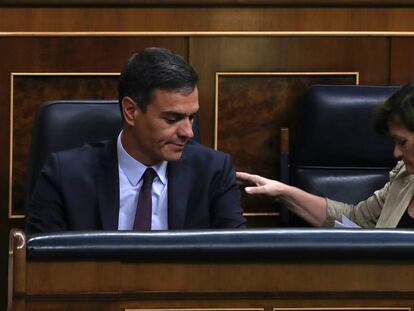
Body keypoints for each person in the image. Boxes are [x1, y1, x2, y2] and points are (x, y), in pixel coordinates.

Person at [26, 47, 246, 233]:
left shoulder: (213, 171)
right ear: (131, 111)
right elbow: (43, 269)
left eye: (192, 117)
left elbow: (236, 262)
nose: (188, 132)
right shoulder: (64, 175)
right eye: (172, 119)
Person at [237, 82, 414, 228]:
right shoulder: (404, 177)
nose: (396, 152)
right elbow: (355, 219)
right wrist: (282, 192)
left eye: (402, 141)